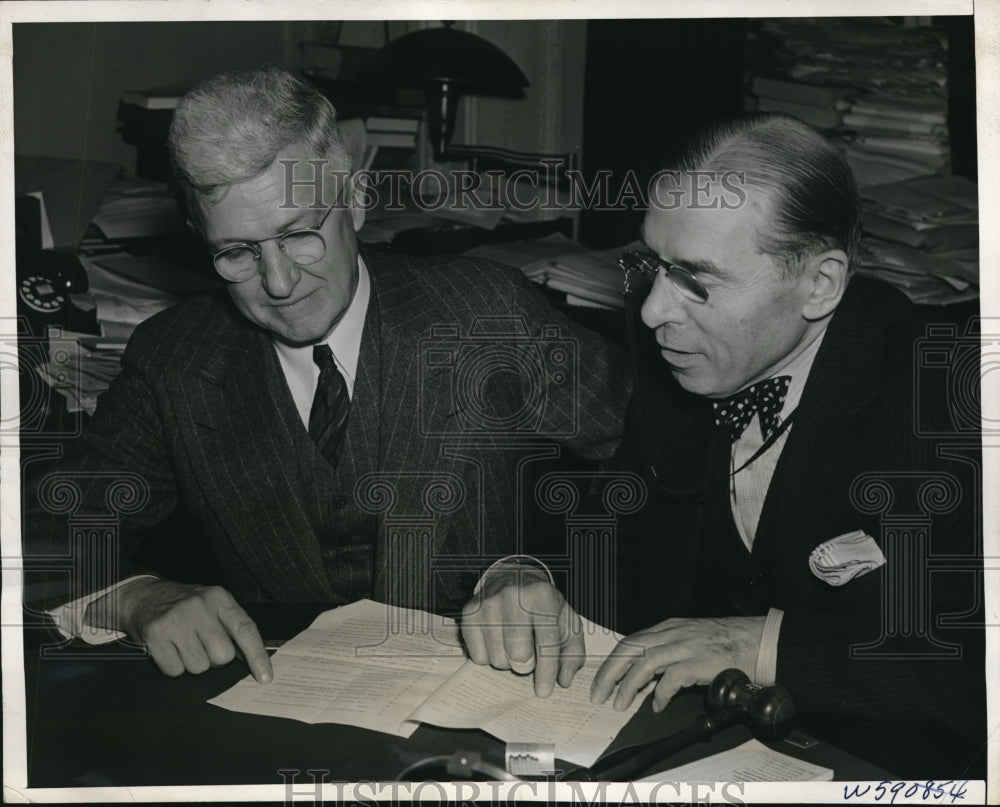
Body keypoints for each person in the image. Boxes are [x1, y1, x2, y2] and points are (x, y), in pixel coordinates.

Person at [24, 64, 628, 697]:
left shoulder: (487, 315)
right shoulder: (174, 360)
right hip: (280, 720)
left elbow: (667, 478)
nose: (279, 284)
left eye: (300, 235)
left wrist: (530, 569)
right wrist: (133, 596)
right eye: (237, 253)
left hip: (495, 708)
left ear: (357, 200)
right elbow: (42, 533)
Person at [588, 113, 984, 776]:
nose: (654, 310)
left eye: (696, 279)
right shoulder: (680, 363)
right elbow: (613, 549)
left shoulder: (946, 401)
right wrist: (522, 576)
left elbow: (976, 675)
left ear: (820, 283)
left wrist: (766, 645)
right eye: (651, 265)